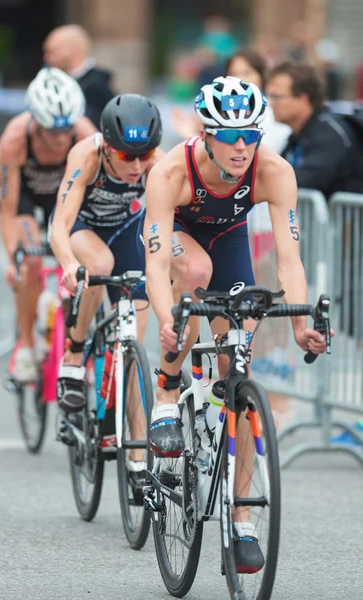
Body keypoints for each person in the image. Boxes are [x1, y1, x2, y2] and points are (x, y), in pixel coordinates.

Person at [138, 76, 333, 570]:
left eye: (250, 132)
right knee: (194, 274)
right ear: (206, 135)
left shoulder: (274, 170)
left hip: (228, 241)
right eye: (229, 135)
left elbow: (290, 261)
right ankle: (166, 392)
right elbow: (157, 267)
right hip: (182, 241)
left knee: (238, 368)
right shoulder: (169, 174)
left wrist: (299, 324)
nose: (242, 145)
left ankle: (242, 516)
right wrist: (166, 319)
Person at [49, 94, 163, 418]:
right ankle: (73, 353)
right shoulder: (86, 156)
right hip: (82, 228)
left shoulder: (158, 164)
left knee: (135, 344)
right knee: (99, 265)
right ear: (108, 147)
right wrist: (70, 263)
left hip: (124, 231)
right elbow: (59, 224)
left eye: (145, 155)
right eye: (128, 156)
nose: (138, 166)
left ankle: (138, 460)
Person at [0, 67, 96, 382]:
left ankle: (80, 343)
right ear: (36, 123)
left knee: (88, 260)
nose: (61, 139)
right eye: (52, 132)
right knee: (31, 260)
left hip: (65, 195)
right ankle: (26, 346)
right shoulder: (15, 139)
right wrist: (14, 256)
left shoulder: (83, 133)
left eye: (66, 131)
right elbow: (8, 208)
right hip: (25, 198)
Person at [266, 60, 363, 199]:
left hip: (346, 219)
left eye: (276, 97)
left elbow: (304, 180)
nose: (270, 103)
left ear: (303, 99)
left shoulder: (331, 134)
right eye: (269, 96)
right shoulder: (298, 135)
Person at [43, 25, 115, 128]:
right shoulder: (54, 83)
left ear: (76, 50)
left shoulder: (95, 88)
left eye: (53, 52)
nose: (47, 58)